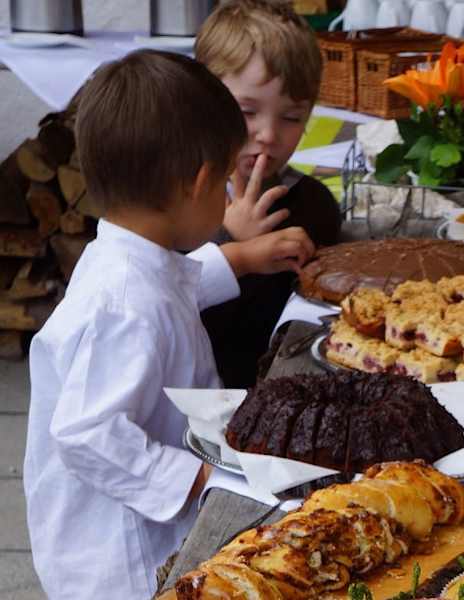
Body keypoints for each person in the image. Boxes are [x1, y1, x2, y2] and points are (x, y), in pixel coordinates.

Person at [22, 50, 315, 599]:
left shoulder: (128, 256)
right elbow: (86, 434)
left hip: (139, 522)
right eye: (226, 177)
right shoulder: (126, 304)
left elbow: (175, 285)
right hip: (121, 555)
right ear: (199, 182)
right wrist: (201, 480)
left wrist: (242, 259)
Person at [195, 0, 343, 388]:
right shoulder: (179, 200)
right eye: (247, 111)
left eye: (292, 117)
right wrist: (228, 240)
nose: (269, 135)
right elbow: (164, 304)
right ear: (204, 99)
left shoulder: (314, 204)